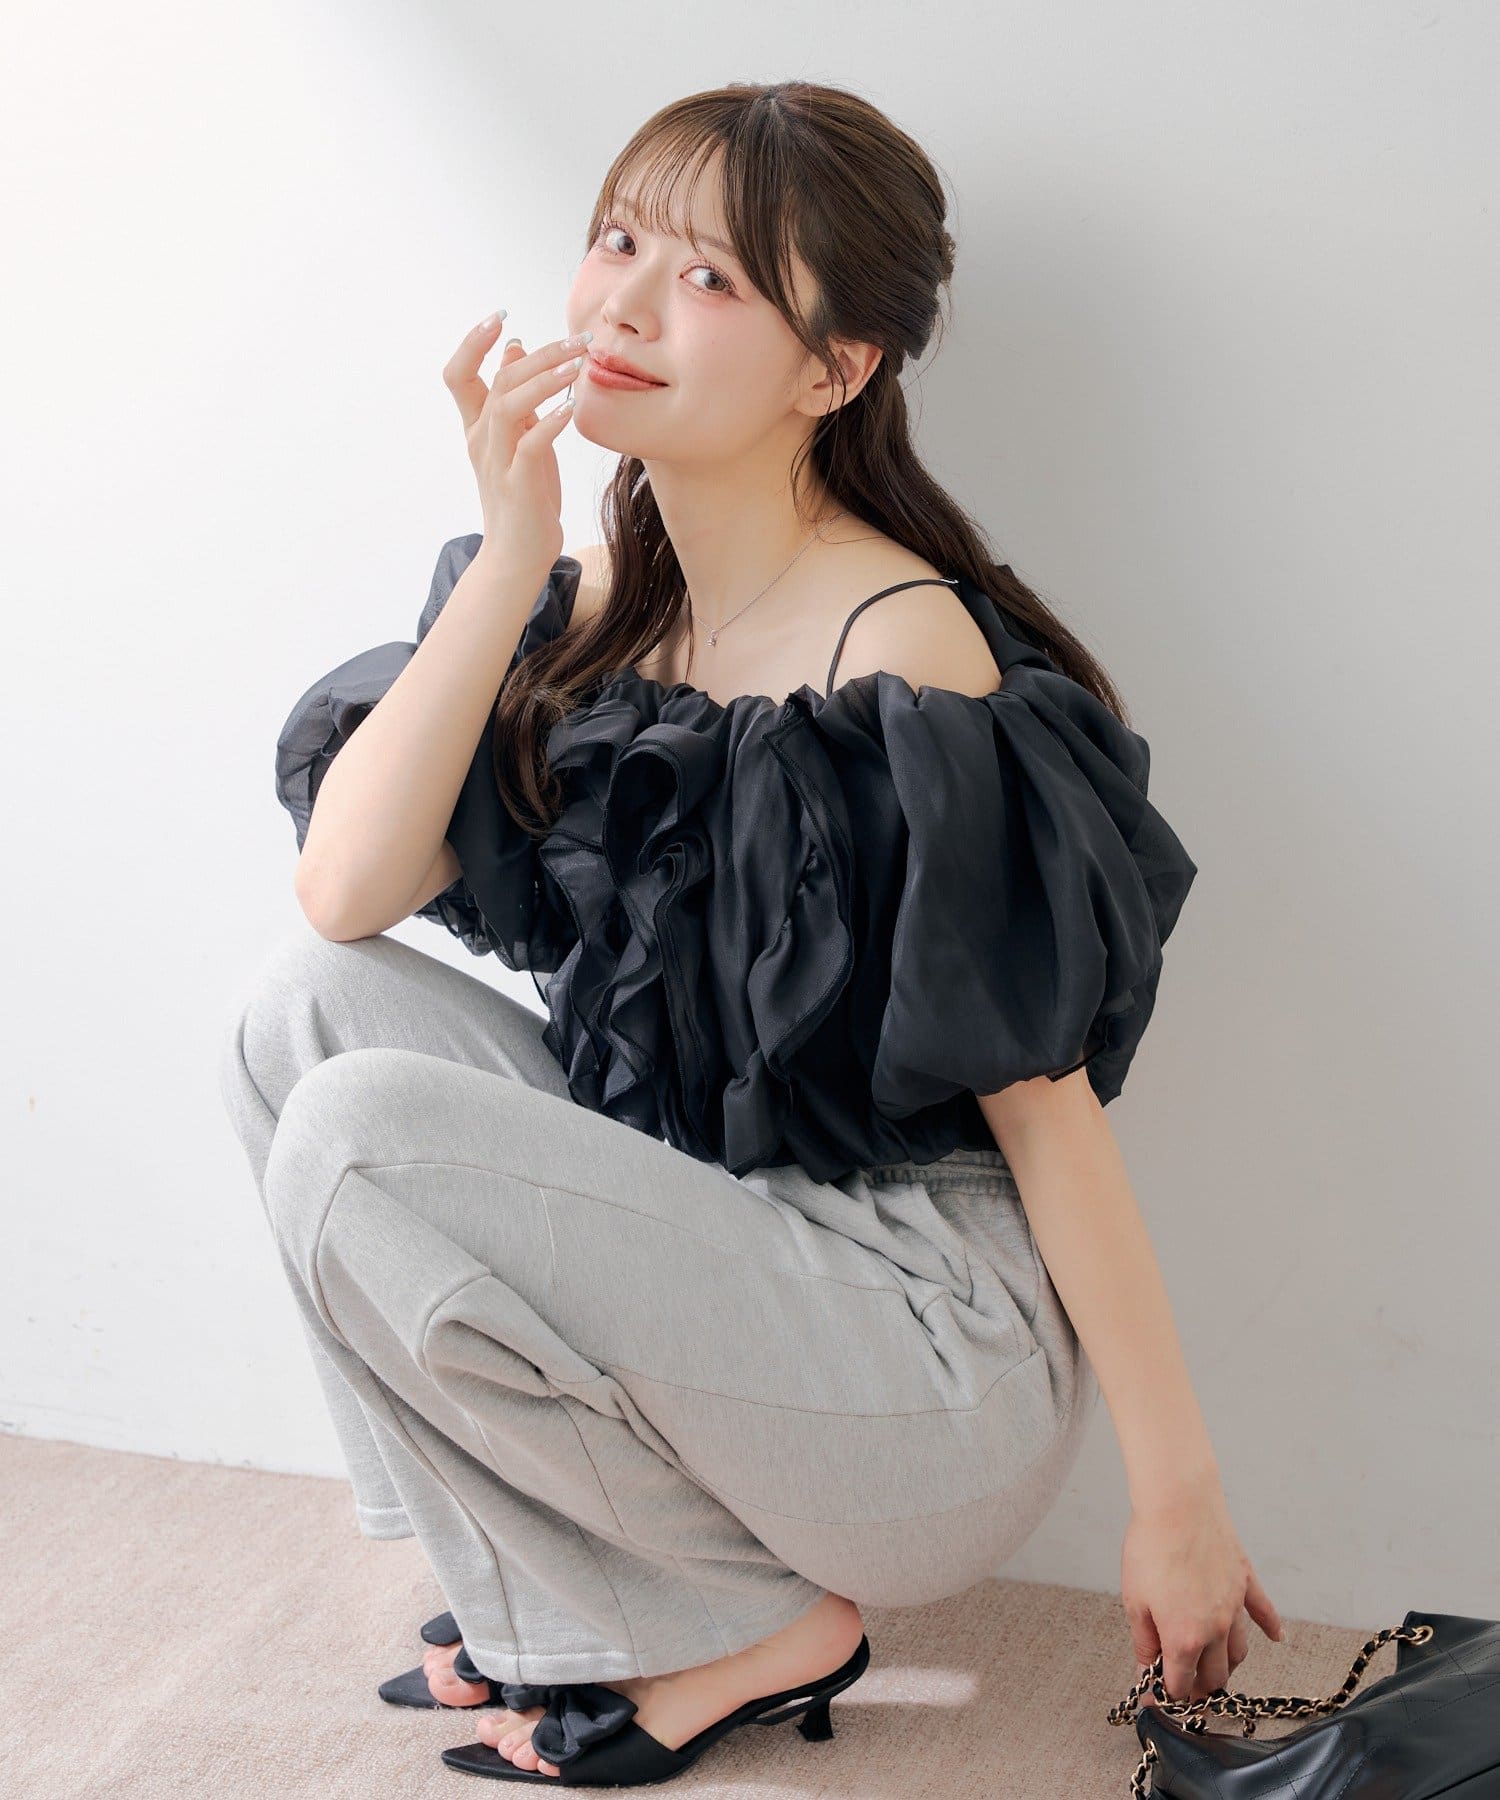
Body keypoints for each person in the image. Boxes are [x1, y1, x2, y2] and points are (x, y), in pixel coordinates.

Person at [219, 79, 1281, 1789]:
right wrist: (509, 560)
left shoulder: (899, 653)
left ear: (835, 369)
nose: (627, 305)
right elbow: (345, 895)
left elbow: (1046, 1112)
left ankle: (745, 1627)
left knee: (359, 1135)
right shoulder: (593, 604)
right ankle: (557, 1605)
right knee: (301, 1017)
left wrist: (1182, 1502)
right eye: (617, 242)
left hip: (916, 1350)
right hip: (715, 1248)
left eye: (711, 278)